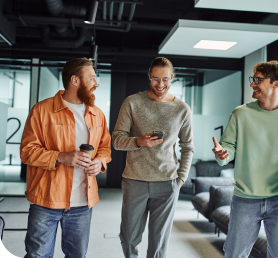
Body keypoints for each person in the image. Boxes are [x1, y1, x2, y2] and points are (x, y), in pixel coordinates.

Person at [20, 57, 111, 258]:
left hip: (82, 204)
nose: (96, 83)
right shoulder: (42, 111)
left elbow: (105, 148)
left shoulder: (98, 114)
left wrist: (99, 162)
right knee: (38, 255)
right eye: (92, 78)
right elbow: (27, 151)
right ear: (75, 80)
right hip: (46, 200)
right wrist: (60, 157)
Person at [212, 60, 278, 258]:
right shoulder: (241, 114)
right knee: (234, 254)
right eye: (253, 79)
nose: (252, 84)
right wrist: (223, 154)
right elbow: (228, 147)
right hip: (245, 198)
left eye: (258, 80)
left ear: (276, 84)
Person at [112, 57, 194, 258]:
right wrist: (139, 141)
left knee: (158, 242)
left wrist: (181, 178)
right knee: (129, 237)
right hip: (135, 180)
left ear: (172, 78)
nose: (160, 84)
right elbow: (116, 140)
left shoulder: (182, 109)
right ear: (149, 77)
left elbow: (188, 147)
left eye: (165, 79)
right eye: (156, 79)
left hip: (167, 183)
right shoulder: (132, 102)